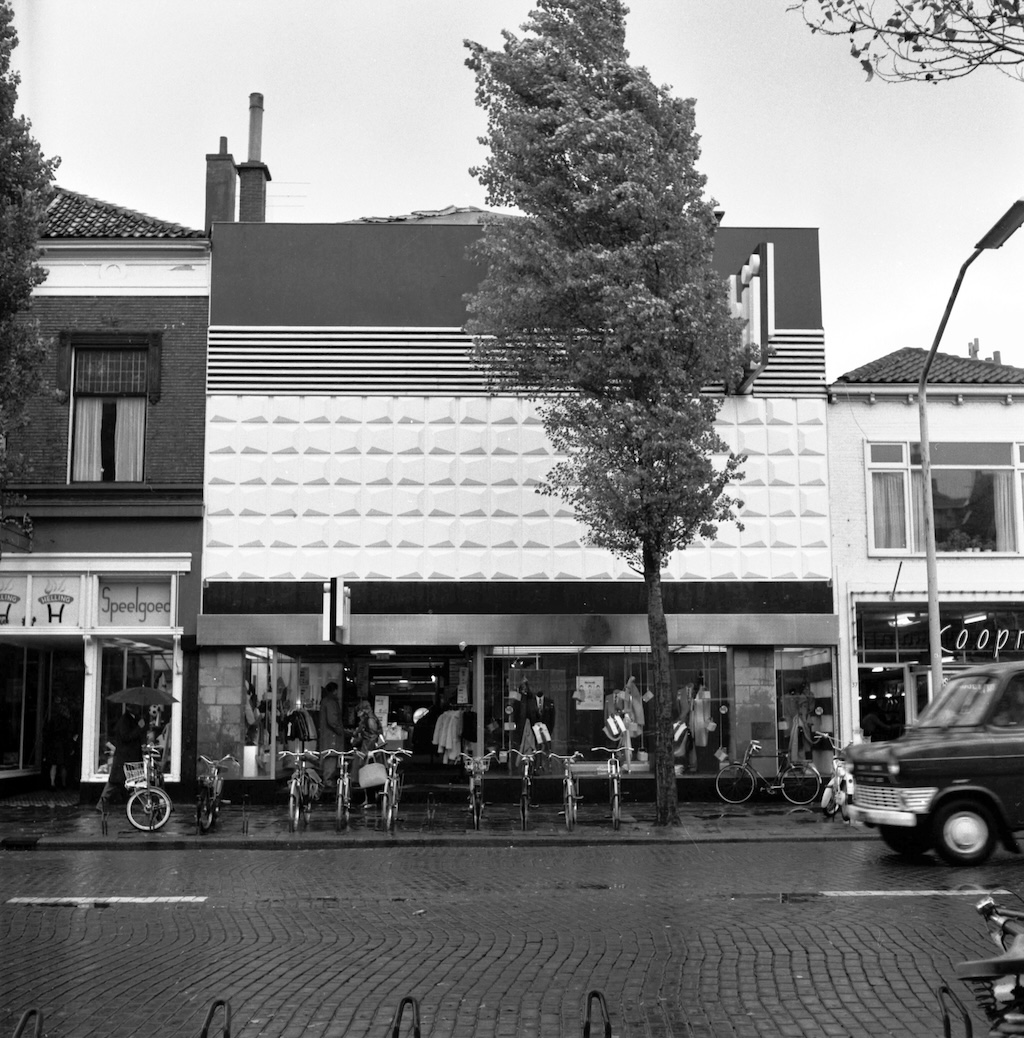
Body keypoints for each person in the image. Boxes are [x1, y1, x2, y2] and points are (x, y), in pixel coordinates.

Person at [96, 707, 146, 810]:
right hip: (125, 757)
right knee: (117, 781)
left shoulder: (134, 719)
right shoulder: (125, 720)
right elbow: (126, 737)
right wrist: (139, 727)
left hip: (130, 757)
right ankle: (102, 803)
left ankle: (144, 803)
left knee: (129, 781)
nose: (137, 708)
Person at [43, 700, 75, 789]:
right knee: (63, 765)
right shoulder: (67, 721)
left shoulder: (53, 720)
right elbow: (69, 735)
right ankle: (63, 784)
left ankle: (52, 783)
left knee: (54, 764)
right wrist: (71, 747)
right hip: (63, 745)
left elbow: (47, 733)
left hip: (54, 745)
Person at [318, 682, 345, 785]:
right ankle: (328, 780)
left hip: (328, 736)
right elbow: (332, 720)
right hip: (332, 737)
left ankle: (327, 779)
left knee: (329, 756)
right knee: (331, 756)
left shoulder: (325, 701)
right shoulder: (331, 702)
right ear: (334, 690)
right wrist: (340, 731)